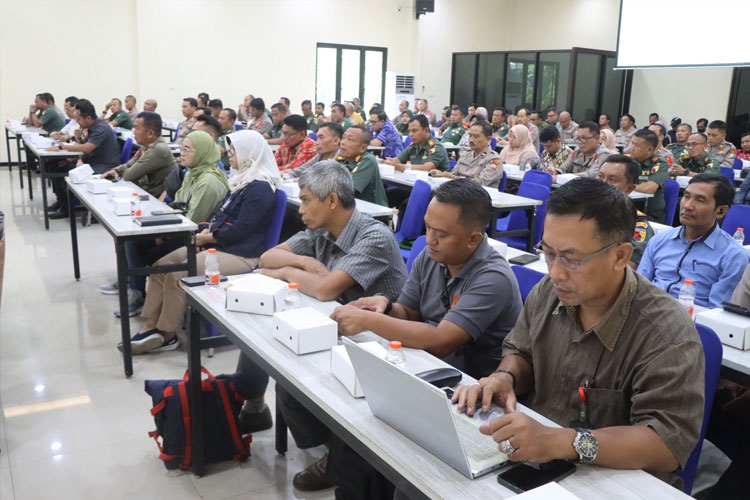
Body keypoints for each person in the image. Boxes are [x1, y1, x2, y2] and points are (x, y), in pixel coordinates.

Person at [452, 177, 704, 487]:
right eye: (548, 253)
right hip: (539, 462)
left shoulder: (666, 333)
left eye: (571, 259)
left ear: (621, 256)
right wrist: (505, 378)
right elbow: (522, 353)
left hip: (617, 483)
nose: (555, 272)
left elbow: (665, 444)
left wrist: (563, 442)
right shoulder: (549, 291)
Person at [242, 160, 408, 492]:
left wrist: (290, 274)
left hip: (380, 343)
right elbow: (267, 258)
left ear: (331, 200)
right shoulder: (320, 231)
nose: (300, 208)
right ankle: (337, 449)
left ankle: (345, 455)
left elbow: (324, 289)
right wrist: (303, 262)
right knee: (289, 383)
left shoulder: (373, 235)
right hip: (334, 329)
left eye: (305, 200)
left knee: (299, 383)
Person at [332, 178, 523, 377]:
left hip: (476, 382)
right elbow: (407, 312)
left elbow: (441, 342)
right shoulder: (432, 255)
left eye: (442, 234)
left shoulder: (493, 277)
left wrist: (367, 320)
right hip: (429, 363)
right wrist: (385, 305)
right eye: (428, 227)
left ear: (473, 239)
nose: (430, 239)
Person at [122, 130, 279, 354]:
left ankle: (167, 334)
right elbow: (221, 216)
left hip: (240, 254)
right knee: (160, 266)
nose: (230, 155)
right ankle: (151, 325)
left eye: (234, 152)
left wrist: (208, 238)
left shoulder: (260, 187)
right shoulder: (242, 181)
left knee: (178, 273)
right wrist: (207, 230)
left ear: (249, 154)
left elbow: (243, 229)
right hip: (219, 244)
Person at [638, 174, 746, 308]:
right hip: (645, 314)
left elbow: (716, 312)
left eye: (700, 200)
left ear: (721, 211)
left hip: (690, 323)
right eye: (686, 196)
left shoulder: (733, 256)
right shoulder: (659, 240)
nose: (687, 206)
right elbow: (639, 288)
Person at [101, 112, 177, 197]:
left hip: (155, 198)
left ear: (150, 134)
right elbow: (129, 164)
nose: (133, 132)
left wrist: (121, 171)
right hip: (146, 191)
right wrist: (116, 170)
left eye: (136, 128)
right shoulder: (147, 145)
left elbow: (128, 176)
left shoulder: (157, 149)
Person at [597, 155, 654, 267]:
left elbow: (626, 267)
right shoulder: (583, 211)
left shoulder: (636, 223)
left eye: (612, 180)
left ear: (629, 189)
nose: (602, 184)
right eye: (600, 177)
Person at [431, 121, 504, 188]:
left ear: (488, 139)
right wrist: (441, 174)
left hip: (479, 198)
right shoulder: (466, 155)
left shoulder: (494, 160)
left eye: (476, 136)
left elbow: (481, 183)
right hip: (458, 192)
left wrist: (453, 177)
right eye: (470, 136)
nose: (471, 140)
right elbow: (453, 173)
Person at [336, 125, 388, 206]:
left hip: (372, 213)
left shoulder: (368, 160)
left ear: (363, 148)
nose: (343, 142)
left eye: (350, 139)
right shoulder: (343, 159)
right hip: (351, 207)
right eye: (343, 137)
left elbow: (347, 189)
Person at [383, 114, 449, 172]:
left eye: (414, 131)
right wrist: (389, 162)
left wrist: (397, 166)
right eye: (409, 131)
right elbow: (397, 160)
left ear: (426, 130)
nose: (411, 134)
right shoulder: (414, 145)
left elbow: (426, 168)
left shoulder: (436, 148)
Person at [631, 129, 669, 223]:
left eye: (637, 145)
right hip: (629, 208)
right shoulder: (628, 161)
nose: (632, 148)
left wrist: (626, 187)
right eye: (632, 143)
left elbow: (649, 188)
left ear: (649, 150)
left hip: (650, 214)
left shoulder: (660, 164)